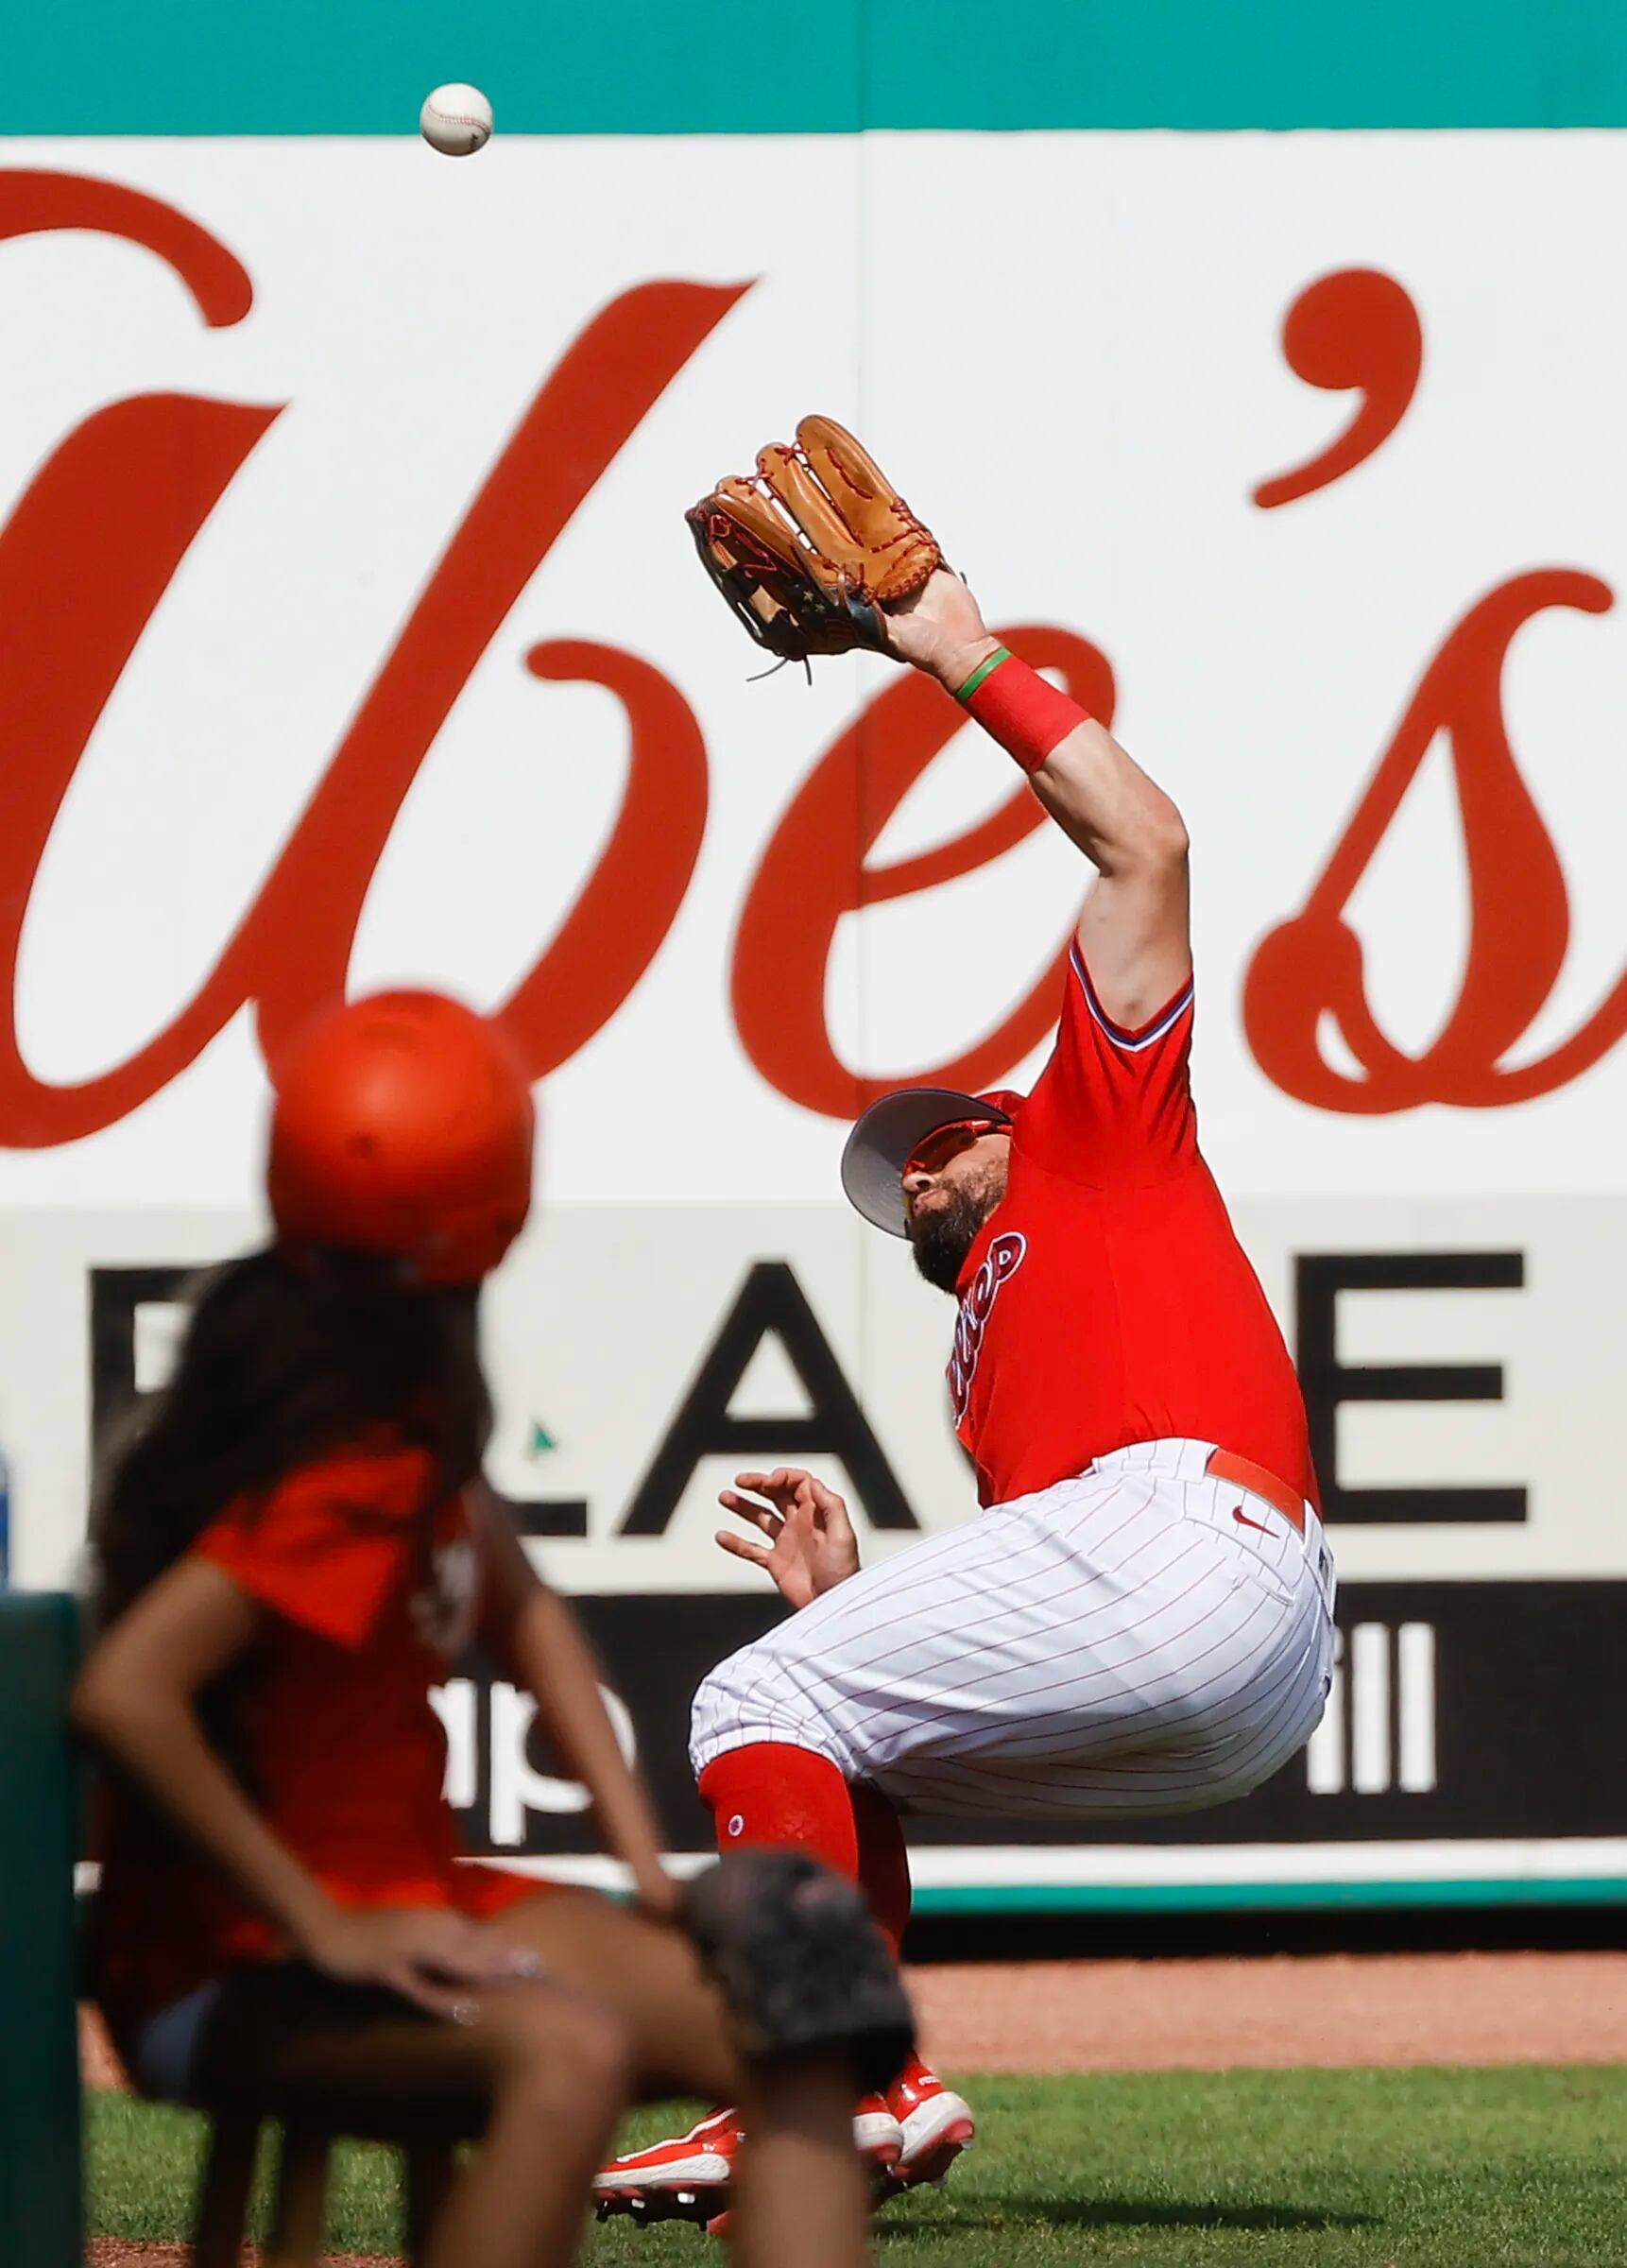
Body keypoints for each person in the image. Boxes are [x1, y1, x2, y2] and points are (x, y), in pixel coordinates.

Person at [599, 522, 1337, 2221]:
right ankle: (868, 2088)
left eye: (940, 1140)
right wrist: (839, 1611)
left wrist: (952, 651)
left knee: (739, 1703)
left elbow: (1143, 844)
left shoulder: (1099, 1140)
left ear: (1015, 1116)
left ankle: (806, 2096)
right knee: (813, 1719)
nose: (915, 1173)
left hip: (1202, 1544)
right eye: (896, 1181)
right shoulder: (971, 1364)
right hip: (1230, 1657)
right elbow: (992, 1628)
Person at [75, 988, 904, 2268]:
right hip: (220, 1968)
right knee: (565, 2052)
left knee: (797, 2012)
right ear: (501, 1201)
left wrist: (649, 1878)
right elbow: (124, 1695)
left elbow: (529, 1622)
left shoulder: (401, 1403)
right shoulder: (336, 1455)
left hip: (413, 1899)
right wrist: (321, 1925)